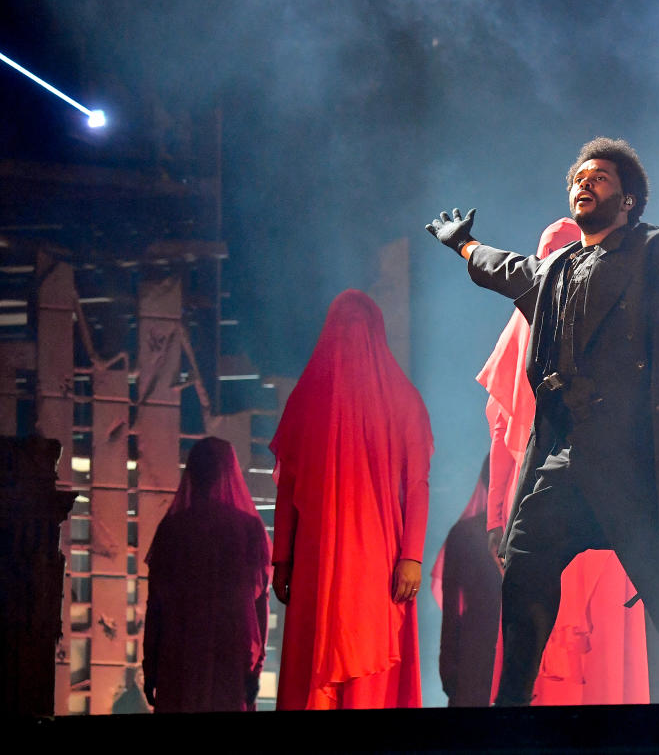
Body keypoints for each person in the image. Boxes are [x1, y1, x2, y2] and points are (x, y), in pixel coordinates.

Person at [425, 137, 659, 705]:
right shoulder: (554, 272)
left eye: (599, 176)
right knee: (525, 564)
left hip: (628, 457)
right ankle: (511, 706)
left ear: (628, 200)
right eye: (579, 176)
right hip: (566, 459)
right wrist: (464, 244)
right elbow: (504, 269)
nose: (584, 182)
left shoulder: (650, 252)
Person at [478, 217, 650, 705]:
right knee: (600, 663)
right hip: (607, 511)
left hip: (538, 511)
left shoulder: (523, 330)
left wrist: (499, 521)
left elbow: (502, 433)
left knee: (535, 643)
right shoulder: (612, 322)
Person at [270, 289, 433, 710]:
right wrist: (411, 556)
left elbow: (286, 486)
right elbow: (418, 485)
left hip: (316, 560)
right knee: (369, 665)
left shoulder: (306, 400)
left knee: (319, 664)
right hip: (376, 559)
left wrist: (283, 560)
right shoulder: (403, 398)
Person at [142, 436, 270, 713]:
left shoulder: (173, 529)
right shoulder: (247, 528)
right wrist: (255, 668)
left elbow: (156, 606)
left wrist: (150, 666)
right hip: (231, 656)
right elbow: (258, 603)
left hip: (179, 656)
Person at [434, 458, 502, 707]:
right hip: (475, 651)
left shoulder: (536, 535)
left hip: (507, 649)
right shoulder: (463, 534)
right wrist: (449, 665)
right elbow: (451, 608)